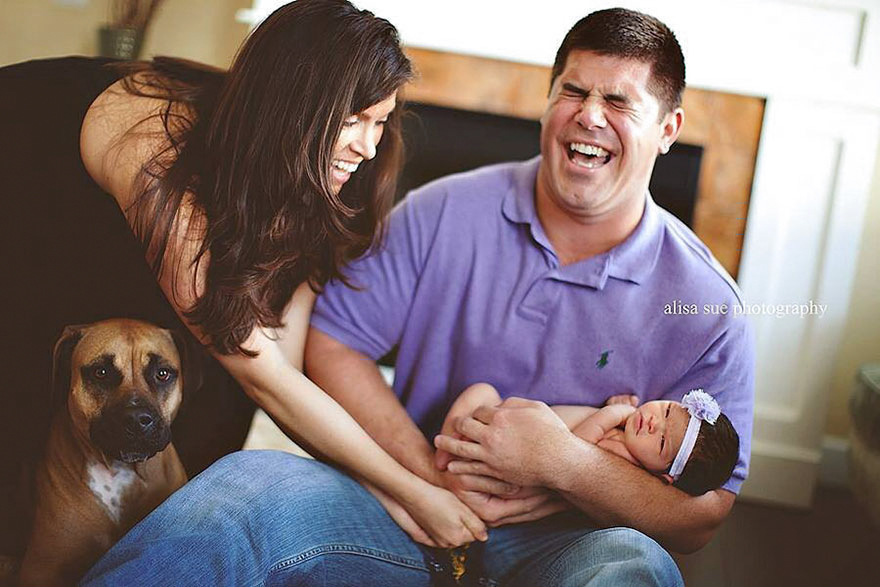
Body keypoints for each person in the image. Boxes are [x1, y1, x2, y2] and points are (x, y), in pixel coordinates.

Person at [80, 7, 753, 587]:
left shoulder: (708, 306)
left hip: (569, 540)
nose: (590, 116)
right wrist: (426, 481)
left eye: (620, 103)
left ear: (669, 129)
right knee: (241, 487)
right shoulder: (442, 211)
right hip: (396, 511)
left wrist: (559, 463)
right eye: (573, 90)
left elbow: (703, 514)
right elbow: (328, 343)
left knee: (636, 565)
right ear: (548, 103)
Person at [0, 0, 488, 569]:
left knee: (197, 431)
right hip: (26, 196)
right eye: (352, 120)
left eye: (380, 121)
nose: (369, 146)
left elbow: (283, 363)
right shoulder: (152, 142)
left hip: (102, 231)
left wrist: (398, 484)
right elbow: (260, 372)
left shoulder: (331, 174)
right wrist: (413, 494)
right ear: (293, 109)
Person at [435, 385, 740, 497]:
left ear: (663, 476)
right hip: (510, 430)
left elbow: (569, 450)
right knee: (483, 396)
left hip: (513, 463)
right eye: (667, 410)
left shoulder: (620, 458)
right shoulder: (630, 435)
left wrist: (611, 413)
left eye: (662, 442)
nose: (653, 422)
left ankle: (438, 468)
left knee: (478, 395)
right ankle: (441, 461)